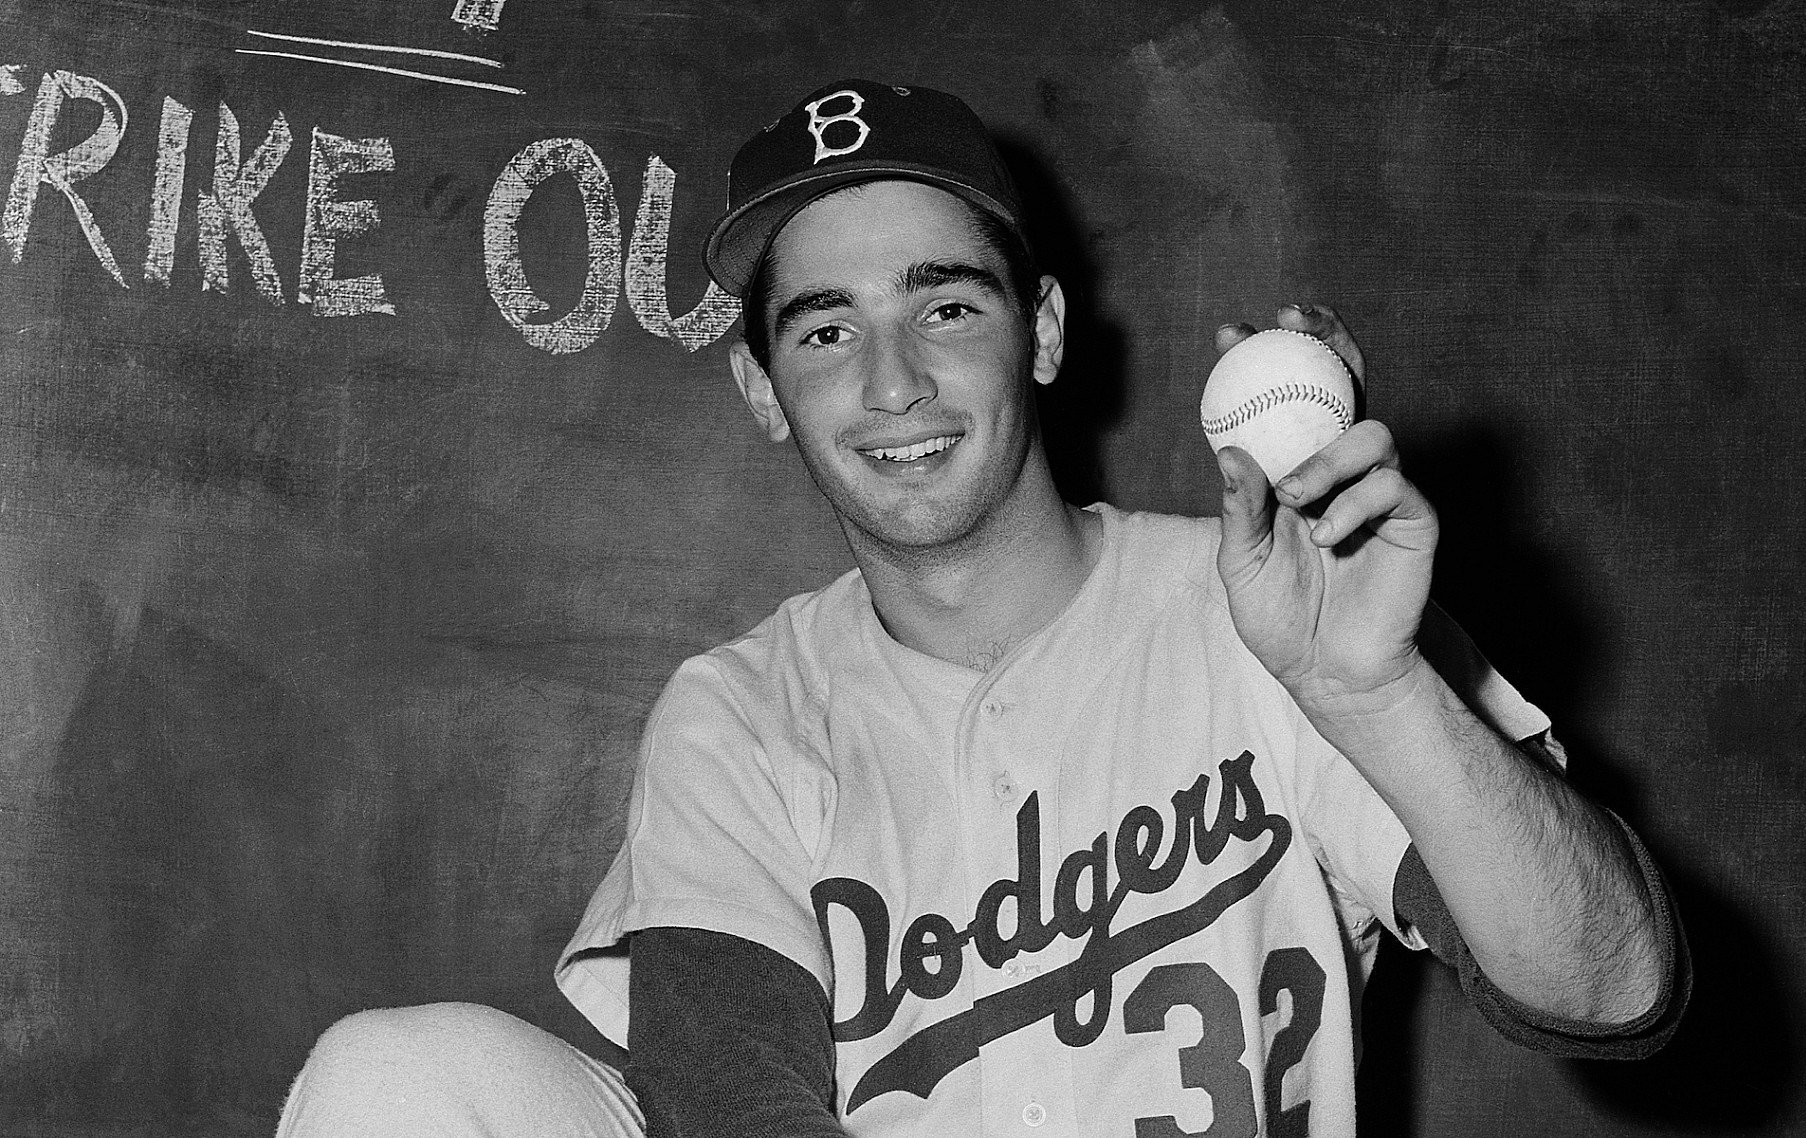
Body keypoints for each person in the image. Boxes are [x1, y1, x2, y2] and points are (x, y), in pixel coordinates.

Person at [276, 78, 1687, 1138]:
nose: (890, 382)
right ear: (766, 390)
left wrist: (1375, 693)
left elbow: (1614, 986)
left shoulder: (1272, 607)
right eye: (825, 330)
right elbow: (734, 1114)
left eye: (944, 306)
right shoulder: (743, 713)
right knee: (392, 1079)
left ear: (1046, 331)